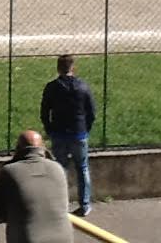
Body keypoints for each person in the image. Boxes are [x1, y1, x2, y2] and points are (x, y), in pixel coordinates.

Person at [0, 130, 73, 243]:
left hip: (28, 238)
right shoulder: (57, 168)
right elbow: (64, 205)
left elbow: (0, 213)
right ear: (43, 148)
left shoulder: (9, 171)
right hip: (64, 237)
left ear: (18, 149)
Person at [40, 55, 96, 217]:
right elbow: (91, 112)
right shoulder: (83, 86)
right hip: (78, 132)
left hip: (59, 133)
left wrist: (49, 129)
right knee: (82, 168)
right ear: (73, 68)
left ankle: (60, 204)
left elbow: (44, 111)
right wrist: (85, 129)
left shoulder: (52, 87)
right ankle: (84, 204)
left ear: (58, 68)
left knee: (60, 169)